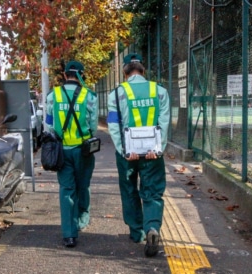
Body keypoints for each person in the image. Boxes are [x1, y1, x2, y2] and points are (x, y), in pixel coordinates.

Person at [106, 53, 170, 257]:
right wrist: (158, 150)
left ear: (125, 72)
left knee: (129, 190)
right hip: (152, 153)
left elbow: (114, 125)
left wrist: (124, 150)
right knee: (152, 192)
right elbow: (164, 123)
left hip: (128, 154)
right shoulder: (159, 92)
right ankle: (152, 227)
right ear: (143, 70)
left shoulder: (116, 94)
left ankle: (136, 232)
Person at [45, 61, 99, 248]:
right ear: (81, 75)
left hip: (62, 152)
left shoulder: (53, 96)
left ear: (65, 74)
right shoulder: (89, 96)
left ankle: (69, 234)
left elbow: (49, 124)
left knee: (67, 190)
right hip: (83, 151)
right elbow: (93, 126)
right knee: (83, 186)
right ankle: (81, 220)